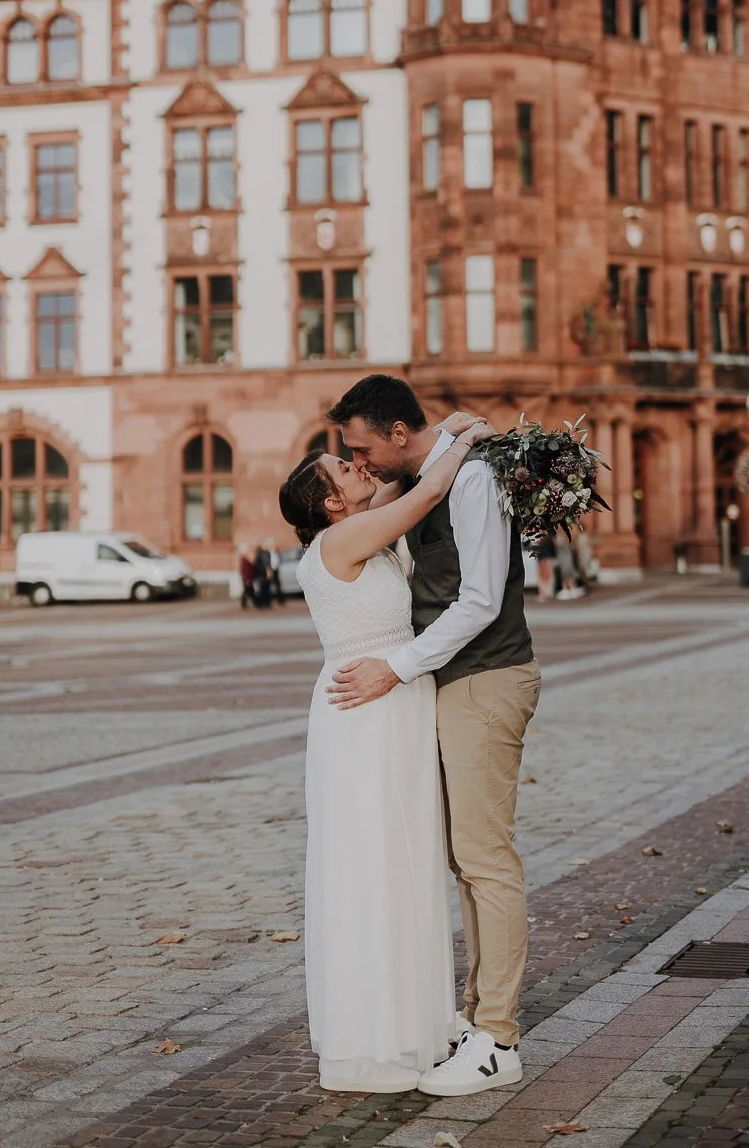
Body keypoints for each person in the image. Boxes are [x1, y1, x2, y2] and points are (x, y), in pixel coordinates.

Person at [327, 375, 541, 1097]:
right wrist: (448, 438)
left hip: (486, 677)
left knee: (485, 858)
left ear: (395, 432)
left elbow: (479, 599)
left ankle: (497, 1038)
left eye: (362, 447)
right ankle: (477, 1019)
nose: (359, 462)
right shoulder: (431, 473)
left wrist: (396, 666)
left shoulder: (472, 480)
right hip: (450, 685)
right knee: (463, 859)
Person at [279, 412, 494, 1093]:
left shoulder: (358, 536)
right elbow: (426, 495)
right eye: (343, 469)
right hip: (365, 706)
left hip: (393, 698)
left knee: (402, 856)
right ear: (331, 504)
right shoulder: (343, 538)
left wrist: (441, 433)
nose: (358, 465)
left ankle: (412, 1022)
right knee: (373, 860)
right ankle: (377, 1033)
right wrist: (464, 440)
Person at [237, 545, 256, 610]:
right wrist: (247, 579)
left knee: (249, 592)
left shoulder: (244, 560)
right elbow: (246, 571)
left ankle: (252, 603)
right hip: (247, 579)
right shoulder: (244, 561)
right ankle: (248, 604)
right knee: (247, 591)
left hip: (247, 578)